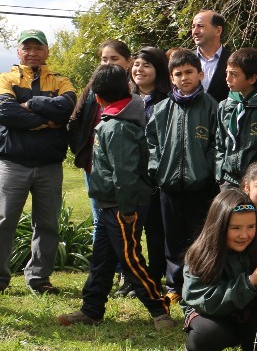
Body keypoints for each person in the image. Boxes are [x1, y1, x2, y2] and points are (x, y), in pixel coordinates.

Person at [56, 64, 173, 330]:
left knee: (130, 259)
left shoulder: (117, 126)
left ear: (97, 99)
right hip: (112, 203)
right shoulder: (113, 119)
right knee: (102, 259)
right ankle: (92, 309)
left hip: (122, 205)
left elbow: (125, 174)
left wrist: (128, 208)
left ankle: (159, 309)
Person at [0, 30, 76, 295]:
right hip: (13, 164)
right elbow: (5, 112)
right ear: (19, 51)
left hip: (49, 165)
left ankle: (39, 279)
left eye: (38, 48)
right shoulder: (5, 78)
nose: (32, 53)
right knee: (4, 221)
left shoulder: (61, 80)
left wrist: (29, 104)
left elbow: (68, 107)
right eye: (27, 48)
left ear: (46, 52)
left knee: (47, 224)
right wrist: (48, 122)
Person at [147, 49, 219, 303]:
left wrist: (208, 170)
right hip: (168, 185)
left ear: (200, 74)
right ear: (171, 78)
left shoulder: (212, 106)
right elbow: (152, 143)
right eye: (178, 74)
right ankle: (174, 286)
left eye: (189, 72)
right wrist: (156, 169)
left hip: (200, 185)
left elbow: (216, 143)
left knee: (199, 236)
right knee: (173, 238)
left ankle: (197, 281)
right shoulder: (162, 109)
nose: (184, 78)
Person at [181, 189, 257, 351]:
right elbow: (204, 300)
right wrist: (249, 283)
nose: (244, 234)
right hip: (212, 315)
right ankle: (193, 349)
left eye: (251, 227)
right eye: (235, 228)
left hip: (247, 314)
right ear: (219, 226)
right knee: (209, 334)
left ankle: (252, 348)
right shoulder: (199, 254)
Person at [68, 40, 132, 242]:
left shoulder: (135, 87)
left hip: (127, 167)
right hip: (94, 167)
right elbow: (74, 121)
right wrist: (83, 152)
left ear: (128, 62)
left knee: (127, 220)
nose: (108, 63)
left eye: (114, 58)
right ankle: (101, 271)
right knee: (100, 220)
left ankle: (124, 269)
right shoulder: (93, 87)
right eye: (104, 59)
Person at [125, 46, 171, 295]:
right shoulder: (124, 97)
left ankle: (154, 277)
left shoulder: (168, 100)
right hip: (127, 175)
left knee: (154, 229)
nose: (139, 69)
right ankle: (130, 278)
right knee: (128, 230)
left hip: (155, 176)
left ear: (158, 70)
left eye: (147, 65)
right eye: (136, 65)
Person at [215, 48, 257, 189]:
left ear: (252, 78)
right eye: (227, 73)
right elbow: (220, 143)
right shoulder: (226, 105)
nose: (228, 79)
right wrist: (220, 173)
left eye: (234, 74)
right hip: (228, 180)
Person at [191, 10, 232, 103]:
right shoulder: (185, 60)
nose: (195, 31)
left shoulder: (233, 60)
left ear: (218, 30)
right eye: (193, 27)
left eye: (200, 26)